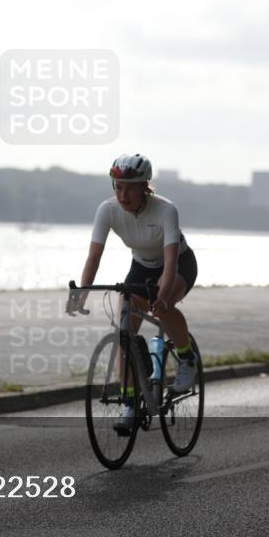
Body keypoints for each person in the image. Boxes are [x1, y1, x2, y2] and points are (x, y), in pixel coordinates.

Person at [66, 154, 199, 433]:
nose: (123, 194)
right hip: (140, 267)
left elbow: (171, 259)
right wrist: (82, 292)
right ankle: (129, 403)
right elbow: (94, 256)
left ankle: (186, 358)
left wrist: (162, 292)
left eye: (130, 187)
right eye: (117, 187)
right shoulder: (107, 210)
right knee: (124, 331)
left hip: (177, 264)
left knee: (162, 307)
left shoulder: (166, 210)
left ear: (144, 186)